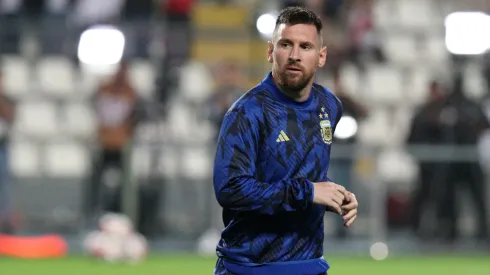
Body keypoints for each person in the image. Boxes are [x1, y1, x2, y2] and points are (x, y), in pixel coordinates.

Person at [213, 7, 358, 275]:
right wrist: (309, 192)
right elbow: (230, 190)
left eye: (305, 46)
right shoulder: (247, 112)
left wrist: (335, 197)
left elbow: (306, 175)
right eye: (285, 44)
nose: (294, 55)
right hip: (250, 267)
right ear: (271, 51)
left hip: (310, 264)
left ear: (321, 56)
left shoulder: (329, 106)